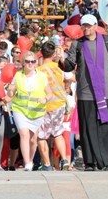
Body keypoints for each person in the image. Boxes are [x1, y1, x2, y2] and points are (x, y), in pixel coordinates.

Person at [60, 14, 108, 171]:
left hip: (106, 92)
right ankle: (90, 162)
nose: (86, 28)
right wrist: (61, 60)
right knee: (88, 128)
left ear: (96, 26)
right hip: (86, 93)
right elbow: (69, 66)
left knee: (107, 128)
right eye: (84, 26)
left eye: (89, 25)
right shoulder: (78, 44)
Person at [37, 41, 70, 171]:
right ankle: (65, 160)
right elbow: (71, 77)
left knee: (41, 136)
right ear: (53, 54)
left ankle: (46, 164)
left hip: (44, 106)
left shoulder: (38, 71)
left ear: (41, 53)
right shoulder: (59, 69)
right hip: (59, 104)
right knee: (58, 133)